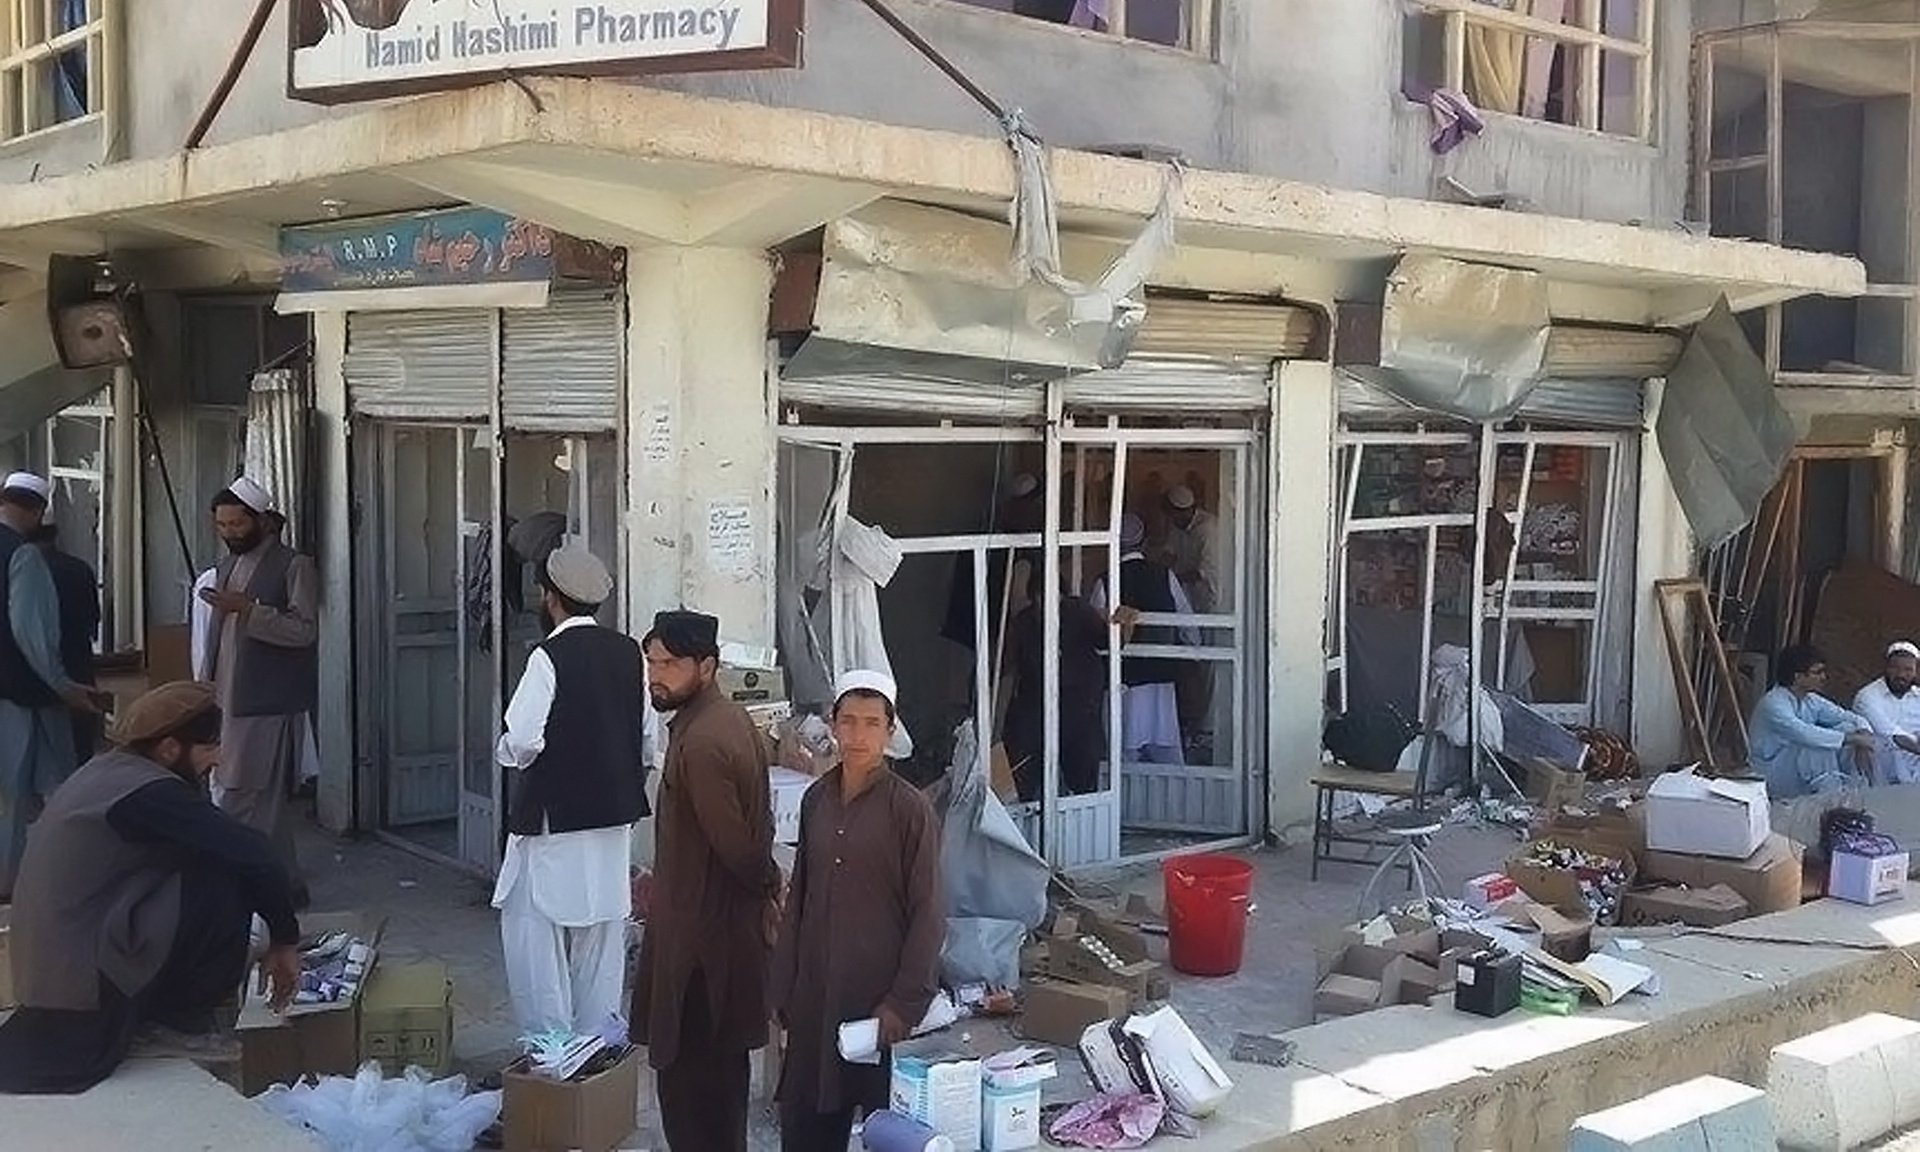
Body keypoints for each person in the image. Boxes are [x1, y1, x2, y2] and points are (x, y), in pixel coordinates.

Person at [0, 681, 301, 1095]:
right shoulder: (146, 791)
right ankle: (176, 1023)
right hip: (81, 993)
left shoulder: (111, 772)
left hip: (62, 977)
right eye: (209, 747)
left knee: (209, 858)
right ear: (169, 749)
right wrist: (285, 943)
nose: (218, 758)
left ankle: (162, 1013)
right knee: (224, 877)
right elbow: (254, 852)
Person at [772, 670, 944, 1152]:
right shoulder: (817, 800)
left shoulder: (910, 810)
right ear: (833, 725)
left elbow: (928, 911)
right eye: (848, 722)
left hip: (877, 1004)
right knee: (807, 1126)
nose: (858, 735)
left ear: (890, 731)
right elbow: (800, 895)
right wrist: (784, 985)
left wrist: (904, 1001)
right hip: (814, 997)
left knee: (884, 1130)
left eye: (871, 723)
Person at [630, 610, 781, 1152]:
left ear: (708, 668)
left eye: (670, 664)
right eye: (651, 661)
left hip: (701, 949)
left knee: (694, 1095)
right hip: (707, 933)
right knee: (718, 1089)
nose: (656, 674)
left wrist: (768, 885)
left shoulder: (702, 742)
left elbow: (738, 849)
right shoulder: (721, 720)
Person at [492, 544, 648, 1038]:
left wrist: (511, 756)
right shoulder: (631, 654)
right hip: (612, 820)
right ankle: (595, 1049)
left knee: (534, 940)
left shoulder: (547, 656)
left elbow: (521, 738)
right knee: (601, 943)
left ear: (549, 597)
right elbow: (648, 740)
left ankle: (551, 1055)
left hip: (552, 821)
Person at [198, 477, 317, 905]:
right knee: (263, 807)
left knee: (238, 800)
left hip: (263, 704)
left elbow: (303, 630)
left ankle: (240, 888)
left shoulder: (293, 565)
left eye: (236, 524)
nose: (229, 532)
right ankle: (285, 887)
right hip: (226, 700)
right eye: (222, 525)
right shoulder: (228, 566)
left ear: (261, 521)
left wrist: (249, 611)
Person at [0, 471, 93, 898]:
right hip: (23, 697)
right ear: (37, 513)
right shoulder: (22, 556)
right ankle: (18, 886)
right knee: (26, 795)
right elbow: (32, 635)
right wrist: (64, 687)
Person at [1089, 513, 1199, 767]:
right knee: (1168, 755)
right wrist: (1192, 657)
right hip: (1161, 679)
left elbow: (1096, 633)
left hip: (1123, 682)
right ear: (1144, 543)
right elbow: (1187, 622)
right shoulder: (1164, 575)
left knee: (1122, 757)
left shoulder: (1105, 580)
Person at [1004, 589, 1108, 800]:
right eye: (1041, 598)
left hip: (1077, 704)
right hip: (1038, 704)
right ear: (1034, 599)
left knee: (1081, 771)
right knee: (1026, 769)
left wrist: (1120, 625)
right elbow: (1006, 661)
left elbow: (1107, 640)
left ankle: (1080, 817)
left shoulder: (1078, 612)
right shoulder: (1026, 621)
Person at [1749, 643, 1876, 799]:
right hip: (1770, 772)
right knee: (1815, 747)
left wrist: (1862, 734)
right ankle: (1833, 800)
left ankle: (1854, 790)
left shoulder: (1811, 700)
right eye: (1817, 672)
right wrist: (1854, 739)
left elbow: (1851, 717)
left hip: (1795, 770)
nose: (1824, 677)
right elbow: (1804, 734)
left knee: (1848, 727)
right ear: (1798, 676)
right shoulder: (1773, 703)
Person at [31, 521, 102, 761]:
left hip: (35, 669)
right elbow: (94, 618)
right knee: (80, 744)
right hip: (78, 661)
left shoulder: (22, 569)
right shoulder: (79, 568)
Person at [1852, 640, 1920, 787]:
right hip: (1879, 768)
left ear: (1916, 671)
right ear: (1886, 668)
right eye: (1895, 668)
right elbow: (1892, 736)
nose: (1901, 674)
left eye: (1908, 670)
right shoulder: (1867, 696)